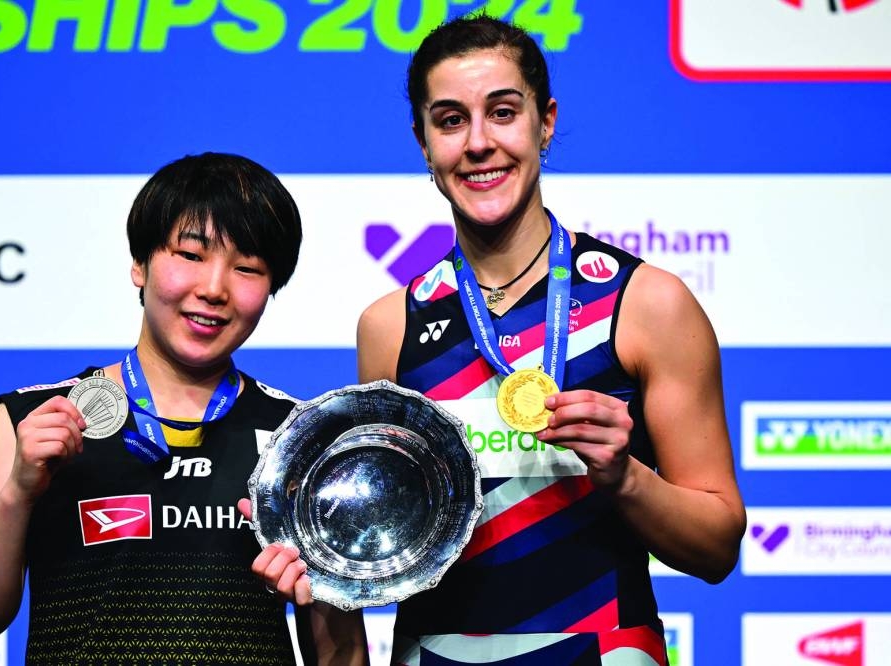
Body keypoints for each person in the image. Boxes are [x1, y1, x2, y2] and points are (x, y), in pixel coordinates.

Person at [254, 15, 747, 666]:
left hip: (602, 650)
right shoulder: (390, 325)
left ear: (545, 122)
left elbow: (716, 548)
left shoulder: (646, 303)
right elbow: (378, 548)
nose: (479, 142)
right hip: (434, 652)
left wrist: (625, 477)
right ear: (424, 143)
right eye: (451, 120)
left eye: (503, 112)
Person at [0, 152, 368, 665]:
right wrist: (18, 491)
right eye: (190, 255)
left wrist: (323, 582)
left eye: (247, 267)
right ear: (139, 265)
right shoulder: (31, 422)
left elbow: (341, 653)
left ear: (270, 289)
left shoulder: (300, 439)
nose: (213, 289)